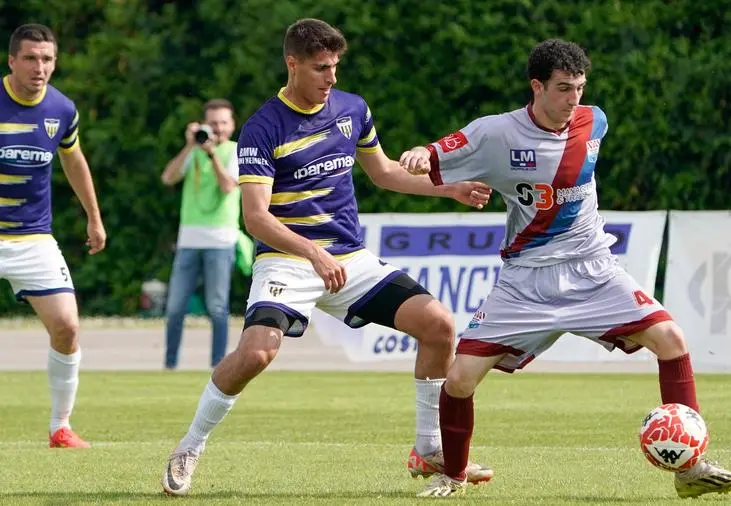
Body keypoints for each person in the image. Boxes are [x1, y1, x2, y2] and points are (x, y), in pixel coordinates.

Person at [399, 39, 731, 499]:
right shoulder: (497, 133)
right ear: (537, 87)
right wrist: (421, 154)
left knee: (671, 340)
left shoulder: (594, 120)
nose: (574, 100)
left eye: (580, 88)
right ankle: (455, 473)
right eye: (564, 88)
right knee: (461, 379)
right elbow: (440, 151)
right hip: (525, 282)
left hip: (594, 272)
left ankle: (692, 468)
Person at [160, 18, 494, 496]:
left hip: (349, 259)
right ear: (291, 64)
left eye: (335, 67)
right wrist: (313, 253)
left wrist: (449, 187)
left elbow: (383, 173)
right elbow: (255, 217)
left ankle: (428, 447)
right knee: (256, 353)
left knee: (439, 324)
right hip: (287, 258)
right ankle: (190, 445)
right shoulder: (262, 128)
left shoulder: (352, 109)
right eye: (320, 68)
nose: (331, 79)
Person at [0, 24, 106, 448]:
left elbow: (74, 159)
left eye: (47, 59)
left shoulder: (62, 109)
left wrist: (94, 217)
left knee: (66, 326)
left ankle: (60, 427)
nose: (39, 67)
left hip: (32, 238)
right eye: (30, 58)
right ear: (11, 61)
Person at [160, 99, 241, 369]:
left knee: (217, 307)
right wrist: (190, 146)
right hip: (189, 240)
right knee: (174, 308)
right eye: (213, 123)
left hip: (220, 239)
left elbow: (229, 186)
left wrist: (212, 154)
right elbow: (168, 177)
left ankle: (218, 366)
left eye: (223, 123)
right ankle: (170, 365)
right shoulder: (194, 150)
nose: (217, 128)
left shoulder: (236, 151)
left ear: (232, 125)